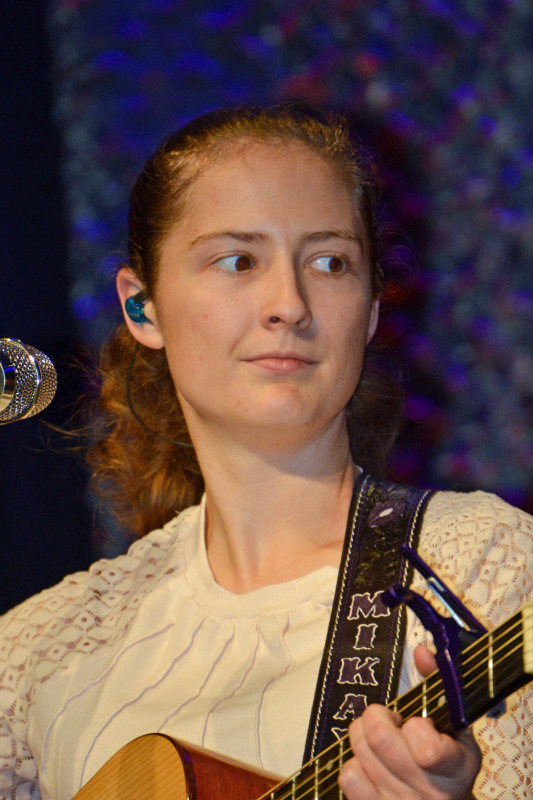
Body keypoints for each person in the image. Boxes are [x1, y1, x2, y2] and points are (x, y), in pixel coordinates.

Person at [0, 104, 531, 800]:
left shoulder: (477, 567)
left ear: (369, 309)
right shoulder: (39, 652)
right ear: (141, 307)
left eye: (330, 262)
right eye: (237, 260)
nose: (289, 303)